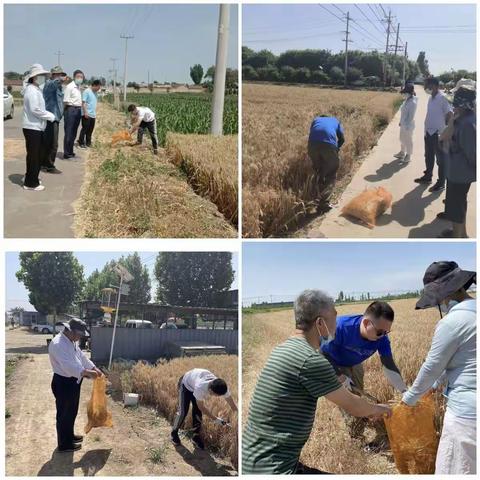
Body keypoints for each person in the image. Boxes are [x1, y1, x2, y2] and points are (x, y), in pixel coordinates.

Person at [242, 290, 392, 475]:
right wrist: (383, 409)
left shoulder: (283, 349)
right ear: (320, 323)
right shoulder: (310, 360)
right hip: (273, 468)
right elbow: (355, 407)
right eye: (334, 319)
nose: (337, 325)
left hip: (255, 459)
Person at [403, 261, 476, 474]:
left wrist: (409, 398)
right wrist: (436, 384)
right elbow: (462, 359)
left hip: (468, 417)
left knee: (455, 469)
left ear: (444, 295)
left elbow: (433, 366)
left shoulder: (451, 323)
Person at [321, 301, 407, 439]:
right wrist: (339, 376)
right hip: (333, 363)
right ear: (366, 323)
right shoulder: (341, 327)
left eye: (387, 332)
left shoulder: (382, 338)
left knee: (359, 396)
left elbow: (388, 364)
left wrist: (404, 390)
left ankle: (362, 418)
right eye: (380, 331)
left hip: (355, 363)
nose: (383, 335)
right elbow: (321, 353)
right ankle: (357, 437)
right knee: (349, 401)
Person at [48, 319, 103, 452]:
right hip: (63, 382)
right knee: (64, 414)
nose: (80, 337)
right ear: (70, 331)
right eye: (79, 334)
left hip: (73, 382)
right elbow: (68, 367)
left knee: (71, 412)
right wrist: (88, 373)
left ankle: (69, 436)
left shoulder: (72, 341)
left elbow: (82, 357)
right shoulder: (58, 344)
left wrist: (94, 368)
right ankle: (64, 444)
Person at [436, 87, 476, 238]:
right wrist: (452, 122)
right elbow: (443, 137)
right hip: (456, 172)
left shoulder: (468, 125)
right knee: (458, 205)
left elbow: (473, 154)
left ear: (464, 105)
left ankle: (457, 236)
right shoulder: (460, 119)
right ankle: (461, 234)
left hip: (461, 175)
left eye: (457, 104)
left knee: (456, 208)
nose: (454, 107)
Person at [171, 368, 237, 449]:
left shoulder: (222, 387)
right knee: (183, 411)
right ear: (210, 390)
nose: (216, 397)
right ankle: (174, 433)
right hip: (186, 385)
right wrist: (216, 419)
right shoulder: (201, 388)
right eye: (215, 395)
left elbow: (232, 404)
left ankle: (195, 437)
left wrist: (237, 419)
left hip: (196, 379)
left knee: (197, 412)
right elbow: (201, 407)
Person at [415, 77, 453, 192]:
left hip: (439, 134)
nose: (426, 88)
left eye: (428, 86)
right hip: (429, 132)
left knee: (441, 160)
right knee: (429, 156)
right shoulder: (431, 98)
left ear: (435, 85)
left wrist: (444, 131)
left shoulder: (443, 98)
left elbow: (449, 114)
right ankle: (428, 177)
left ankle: (441, 183)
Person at [21, 64, 56, 191]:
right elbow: (35, 109)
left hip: (36, 126)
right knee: (34, 155)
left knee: (35, 154)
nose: (43, 78)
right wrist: (49, 116)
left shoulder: (35, 89)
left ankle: (30, 176)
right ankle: (31, 183)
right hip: (32, 127)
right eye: (41, 76)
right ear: (34, 77)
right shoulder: (31, 91)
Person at [307, 115, 345, 212]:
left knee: (317, 171)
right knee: (331, 173)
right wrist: (336, 150)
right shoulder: (335, 120)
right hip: (329, 144)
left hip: (312, 146)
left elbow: (312, 133)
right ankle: (323, 204)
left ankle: (313, 197)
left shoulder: (316, 120)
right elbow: (342, 139)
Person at [42, 66, 68, 173]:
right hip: (51, 117)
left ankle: (44, 164)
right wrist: (60, 80)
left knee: (49, 142)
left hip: (55, 117)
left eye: (61, 75)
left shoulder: (58, 87)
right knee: (53, 143)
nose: (60, 77)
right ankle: (49, 165)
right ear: (53, 75)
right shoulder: (49, 84)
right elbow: (53, 84)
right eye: (58, 74)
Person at [63, 70, 85, 159]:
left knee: (74, 133)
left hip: (78, 110)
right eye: (78, 76)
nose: (80, 78)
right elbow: (65, 101)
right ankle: (66, 154)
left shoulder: (78, 87)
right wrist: (67, 112)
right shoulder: (70, 87)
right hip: (71, 109)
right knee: (69, 132)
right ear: (74, 77)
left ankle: (71, 151)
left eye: (82, 77)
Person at [394, 82, 418, 164]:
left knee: (408, 140)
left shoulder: (412, 103)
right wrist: (401, 122)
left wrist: (406, 126)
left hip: (408, 125)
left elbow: (410, 117)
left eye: (405, 92)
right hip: (403, 124)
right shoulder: (407, 101)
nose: (404, 94)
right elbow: (403, 113)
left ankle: (408, 155)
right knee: (402, 139)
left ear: (409, 93)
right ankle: (402, 152)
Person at [78, 80, 102, 148]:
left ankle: (88, 143)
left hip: (93, 114)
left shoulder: (95, 93)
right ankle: (81, 142)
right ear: (94, 85)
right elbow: (84, 102)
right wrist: (85, 112)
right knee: (85, 129)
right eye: (98, 87)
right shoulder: (87, 91)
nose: (98, 89)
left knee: (90, 130)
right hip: (87, 114)